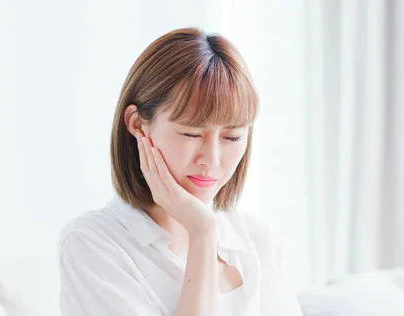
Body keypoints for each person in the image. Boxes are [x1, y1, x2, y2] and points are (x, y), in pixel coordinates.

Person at [58, 27, 303, 316]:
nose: (211, 160)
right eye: (191, 134)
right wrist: (202, 232)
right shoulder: (94, 244)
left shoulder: (255, 238)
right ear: (138, 125)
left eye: (232, 137)